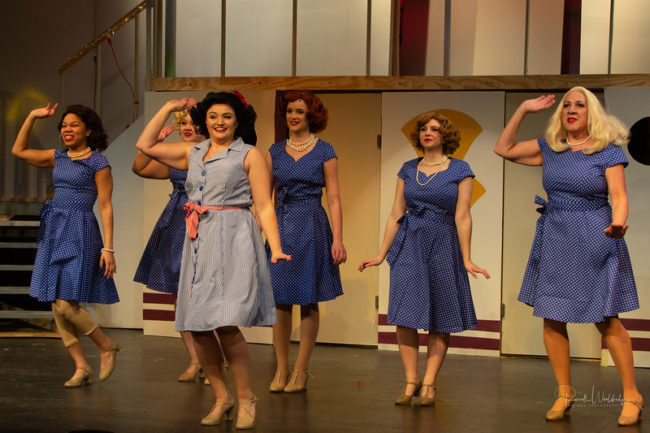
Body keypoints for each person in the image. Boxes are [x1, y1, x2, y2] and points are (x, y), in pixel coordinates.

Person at [135, 91, 290, 429]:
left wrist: (275, 246)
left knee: (225, 322)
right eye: (214, 116)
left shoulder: (248, 155)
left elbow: (264, 204)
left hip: (234, 236)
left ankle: (247, 396)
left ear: (238, 121)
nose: (219, 123)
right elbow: (145, 145)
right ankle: (222, 397)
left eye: (227, 117)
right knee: (197, 323)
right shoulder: (194, 152)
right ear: (204, 120)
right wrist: (168, 108)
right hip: (198, 239)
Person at [493, 87, 643, 426]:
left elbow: (618, 197)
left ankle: (632, 394)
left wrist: (618, 223)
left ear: (593, 113)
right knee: (552, 314)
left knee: (605, 318)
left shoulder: (607, 152)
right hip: (555, 233)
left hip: (595, 232)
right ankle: (564, 391)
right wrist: (523, 109)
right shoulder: (551, 148)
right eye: (566, 105)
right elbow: (503, 148)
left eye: (580, 105)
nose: (571, 110)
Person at [359, 111, 489, 406]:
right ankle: (410, 380)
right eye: (424, 129)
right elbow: (396, 213)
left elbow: (463, 215)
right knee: (405, 314)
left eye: (434, 129)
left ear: (445, 136)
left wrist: (467, 258)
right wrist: (381, 254)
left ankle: (429, 383)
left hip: (443, 242)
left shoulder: (460, 169)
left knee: (439, 316)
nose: (427, 133)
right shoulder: (408, 169)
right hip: (410, 243)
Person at [12, 103, 121, 387]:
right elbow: (19, 151)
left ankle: (106, 345)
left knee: (66, 303)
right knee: (54, 300)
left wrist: (108, 248)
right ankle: (81, 366)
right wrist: (32, 116)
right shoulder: (57, 157)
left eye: (74, 125)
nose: (67, 130)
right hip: (54, 229)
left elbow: (106, 206)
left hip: (81, 230)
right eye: (64, 125)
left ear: (88, 129)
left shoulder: (97, 163)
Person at [266, 91, 346, 393]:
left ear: (311, 115)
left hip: (312, 222)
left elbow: (335, 199)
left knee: (308, 300)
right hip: (283, 224)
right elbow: (265, 196)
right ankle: (282, 368)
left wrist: (338, 239)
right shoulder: (274, 151)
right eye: (289, 111)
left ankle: (300, 370)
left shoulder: (325, 150)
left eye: (299, 111)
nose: (293, 116)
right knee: (280, 300)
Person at [132, 109, 217, 383]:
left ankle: (214, 358)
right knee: (179, 292)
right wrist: (156, 138)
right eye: (183, 123)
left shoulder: (212, 152)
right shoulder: (178, 156)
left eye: (192, 122)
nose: (187, 127)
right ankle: (194, 360)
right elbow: (140, 167)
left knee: (207, 291)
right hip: (177, 222)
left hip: (205, 220)